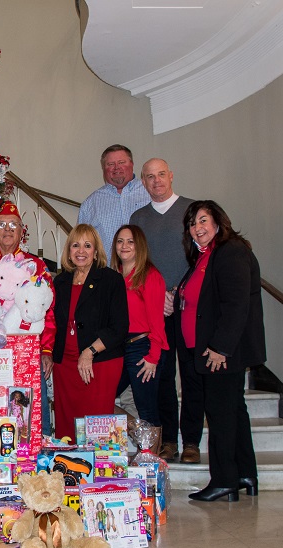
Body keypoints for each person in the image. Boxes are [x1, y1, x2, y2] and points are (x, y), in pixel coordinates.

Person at [176, 200, 265, 502]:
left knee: (220, 413)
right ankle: (245, 474)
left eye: (203, 221)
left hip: (222, 352)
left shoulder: (231, 251)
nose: (197, 228)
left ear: (218, 222)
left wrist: (220, 348)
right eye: (192, 224)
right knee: (234, 411)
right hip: (207, 350)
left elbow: (236, 304)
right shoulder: (206, 256)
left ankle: (225, 479)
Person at [131, 158, 201, 463]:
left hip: (188, 308)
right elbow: (136, 262)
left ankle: (192, 443)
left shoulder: (191, 210)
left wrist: (176, 292)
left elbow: (201, 259)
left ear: (171, 176)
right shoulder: (139, 217)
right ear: (143, 183)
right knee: (160, 377)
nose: (156, 181)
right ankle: (169, 440)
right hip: (154, 312)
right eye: (150, 177)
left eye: (161, 175)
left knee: (191, 375)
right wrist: (157, 296)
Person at [0, 201, 56, 436]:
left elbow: (49, 311)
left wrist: (46, 350)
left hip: (28, 351)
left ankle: (36, 463)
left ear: (21, 231)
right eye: (1, 224)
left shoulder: (36, 266)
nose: (8, 229)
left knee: (31, 412)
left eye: (13, 224)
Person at [52, 224, 128, 440]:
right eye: (75, 246)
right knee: (66, 424)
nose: (81, 251)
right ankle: (65, 470)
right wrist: (47, 353)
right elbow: (52, 323)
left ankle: (98, 471)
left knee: (97, 428)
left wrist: (89, 351)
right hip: (64, 366)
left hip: (99, 363)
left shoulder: (111, 280)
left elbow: (119, 327)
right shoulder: (60, 281)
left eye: (87, 246)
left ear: (96, 252)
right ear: (69, 251)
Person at [111, 225, 168, 426]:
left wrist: (153, 356)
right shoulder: (115, 276)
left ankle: (151, 455)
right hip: (120, 347)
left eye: (130, 241)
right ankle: (140, 436)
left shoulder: (149, 276)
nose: (124, 246)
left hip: (142, 348)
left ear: (139, 246)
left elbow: (157, 322)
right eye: (120, 241)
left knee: (147, 408)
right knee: (103, 398)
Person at [77, 144, 150, 264]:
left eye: (121, 162)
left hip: (145, 274)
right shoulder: (91, 203)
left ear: (132, 164)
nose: (116, 168)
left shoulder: (149, 192)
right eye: (110, 164)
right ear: (103, 168)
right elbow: (80, 243)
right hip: (106, 276)